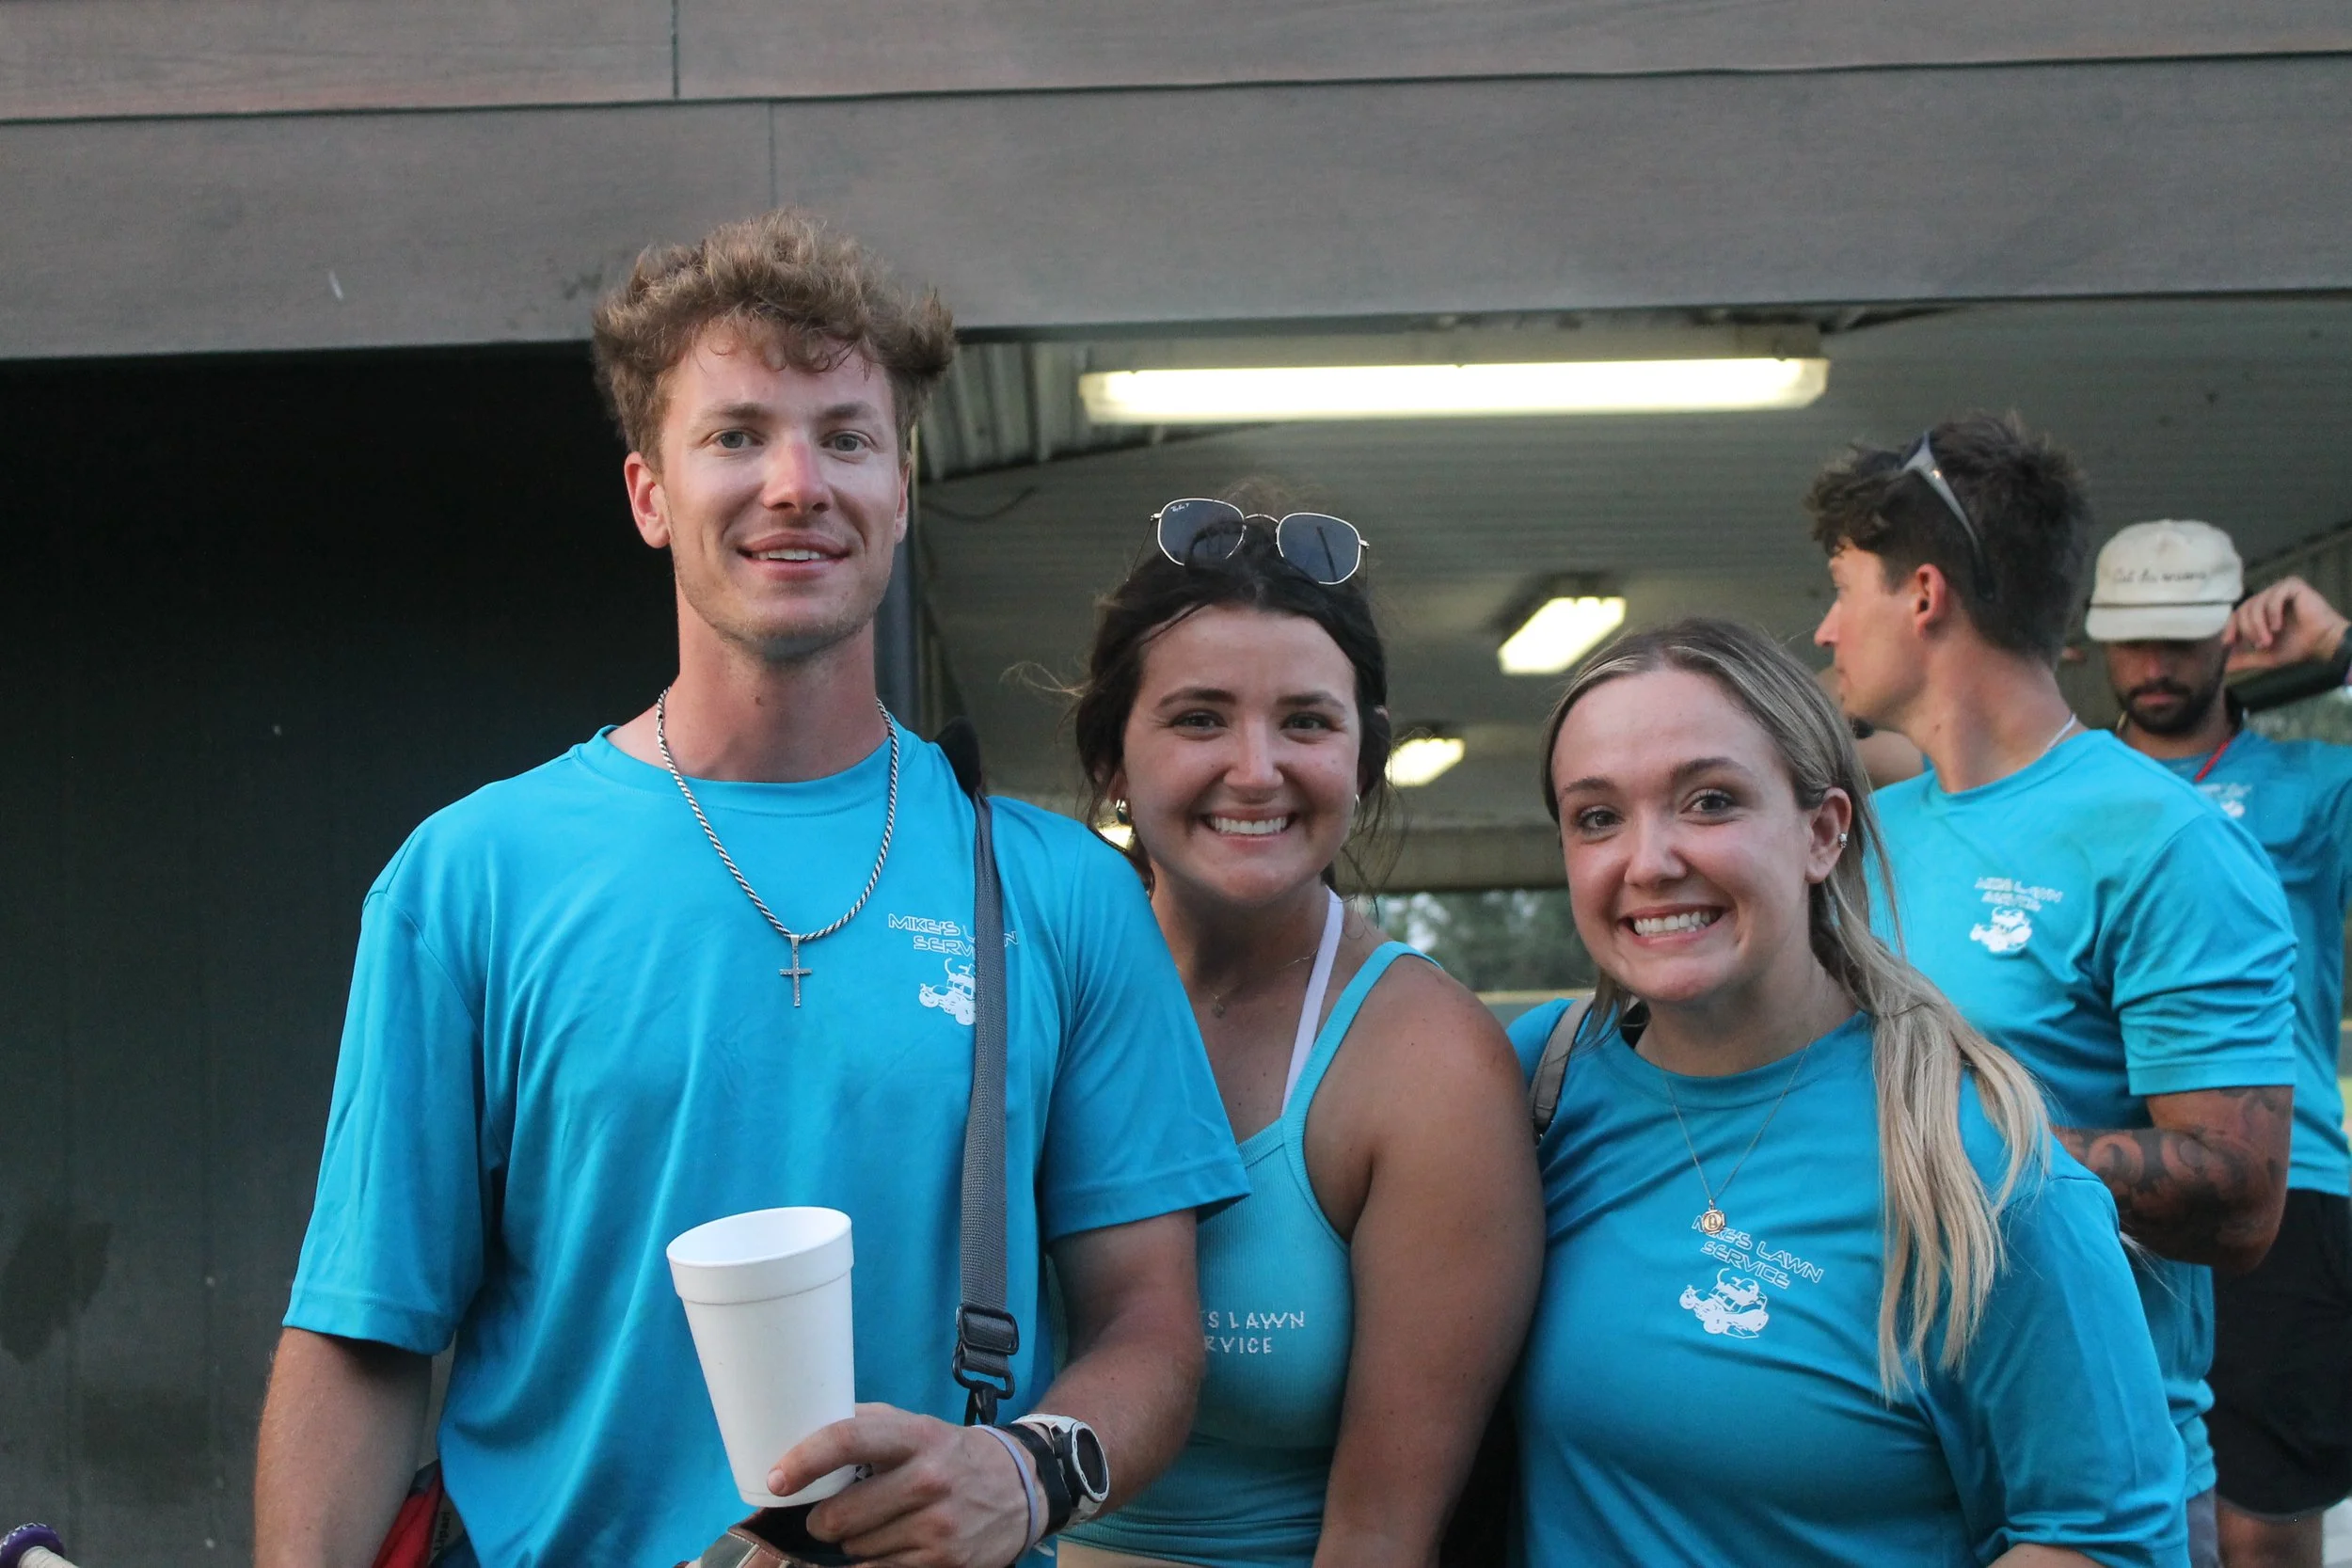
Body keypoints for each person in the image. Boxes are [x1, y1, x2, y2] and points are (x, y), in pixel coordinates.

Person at [252, 210, 1248, 1568]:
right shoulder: (471, 876)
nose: (796, 483)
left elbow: (1152, 1326)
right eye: (735, 435)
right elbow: (363, 1338)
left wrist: (1024, 1470)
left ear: (899, 484)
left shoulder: (1062, 890)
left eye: (844, 436)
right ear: (649, 492)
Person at [1507, 615, 2185, 1565]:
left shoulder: (1978, 1164)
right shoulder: (1530, 1082)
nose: (1648, 859)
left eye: (1708, 801)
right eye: (1596, 815)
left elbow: (2107, 1537)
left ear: (1823, 831)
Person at [1808, 413, 2300, 1566]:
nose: (1825, 627)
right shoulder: (1867, 838)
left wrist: (1950, 1146)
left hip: (2090, 1485)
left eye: (1842, 588)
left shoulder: (2160, 840)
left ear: (1923, 593)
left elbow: (2241, 1195)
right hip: (1872, 1462)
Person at [1053, 494, 1544, 1568]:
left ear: (1362, 763)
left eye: (1307, 721)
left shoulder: (1426, 1062)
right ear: (1112, 763)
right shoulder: (1036, 994)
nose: (1256, 766)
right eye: (1198, 717)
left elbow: (1378, 1535)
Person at [2090, 519, 2352, 1568]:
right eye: (2133, 640)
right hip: (2096, 1177)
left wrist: (2344, 650)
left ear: (2226, 639)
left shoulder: (2313, 784)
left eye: (2183, 638)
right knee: (2120, 1507)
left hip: (2286, 1183)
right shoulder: (2062, 784)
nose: (2156, 666)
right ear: (2094, 642)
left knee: (2253, 1525)